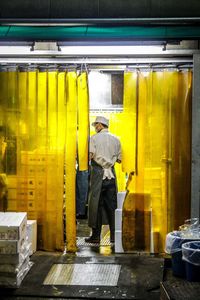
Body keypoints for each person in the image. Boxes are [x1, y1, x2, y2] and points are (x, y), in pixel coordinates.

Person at [85, 116, 121, 244]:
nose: (95, 128)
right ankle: (113, 237)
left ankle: (95, 236)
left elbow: (90, 155)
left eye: (96, 125)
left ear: (100, 125)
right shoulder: (116, 139)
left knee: (96, 205)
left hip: (98, 174)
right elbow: (119, 159)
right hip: (111, 175)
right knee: (112, 206)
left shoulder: (93, 139)